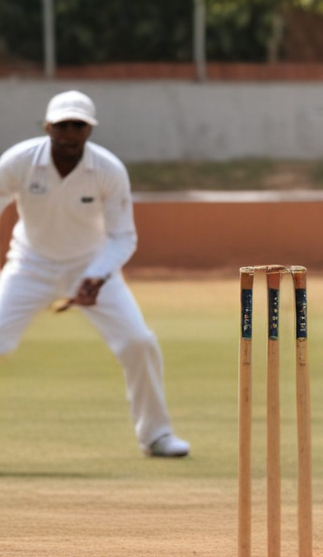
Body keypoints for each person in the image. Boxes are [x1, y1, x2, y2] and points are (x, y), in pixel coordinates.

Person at [0, 90, 190, 458]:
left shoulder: (108, 169)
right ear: (47, 126)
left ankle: (157, 435)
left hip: (90, 267)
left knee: (139, 342)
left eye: (78, 125)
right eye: (62, 125)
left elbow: (123, 237)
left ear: (89, 130)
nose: (70, 133)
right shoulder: (19, 161)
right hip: (29, 265)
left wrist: (97, 277)